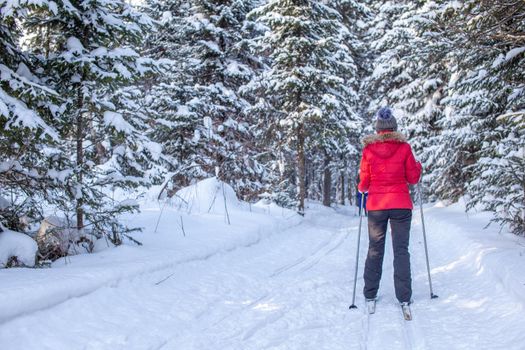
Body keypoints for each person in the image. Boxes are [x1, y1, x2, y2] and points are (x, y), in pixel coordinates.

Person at [357, 107, 422, 305]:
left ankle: (370, 293)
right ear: (394, 128)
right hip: (401, 205)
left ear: (378, 129)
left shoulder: (368, 150)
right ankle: (404, 297)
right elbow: (413, 178)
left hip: (377, 206)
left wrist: (361, 187)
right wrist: (418, 167)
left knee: (375, 248)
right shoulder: (404, 148)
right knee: (401, 249)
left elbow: (364, 182)